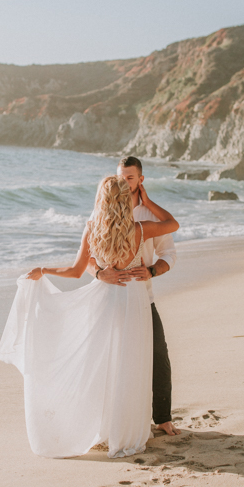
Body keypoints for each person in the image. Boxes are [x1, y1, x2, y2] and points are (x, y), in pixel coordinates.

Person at [0, 175, 179, 459]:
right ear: (125, 198)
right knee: (133, 365)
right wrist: (146, 200)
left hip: (107, 299)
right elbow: (173, 224)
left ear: (102, 200)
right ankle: (129, 430)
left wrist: (43, 270)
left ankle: (105, 428)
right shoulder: (141, 230)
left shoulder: (93, 229)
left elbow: (74, 271)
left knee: (108, 363)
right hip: (135, 298)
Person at [88, 156, 179, 437]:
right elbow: (88, 257)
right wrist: (99, 273)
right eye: (119, 178)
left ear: (141, 180)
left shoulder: (150, 218)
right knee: (112, 359)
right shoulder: (102, 212)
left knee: (158, 355)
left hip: (143, 299)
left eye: (129, 178)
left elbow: (169, 256)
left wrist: (151, 271)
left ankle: (162, 418)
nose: (123, 183)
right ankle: (113, 420)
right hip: (112, 299)